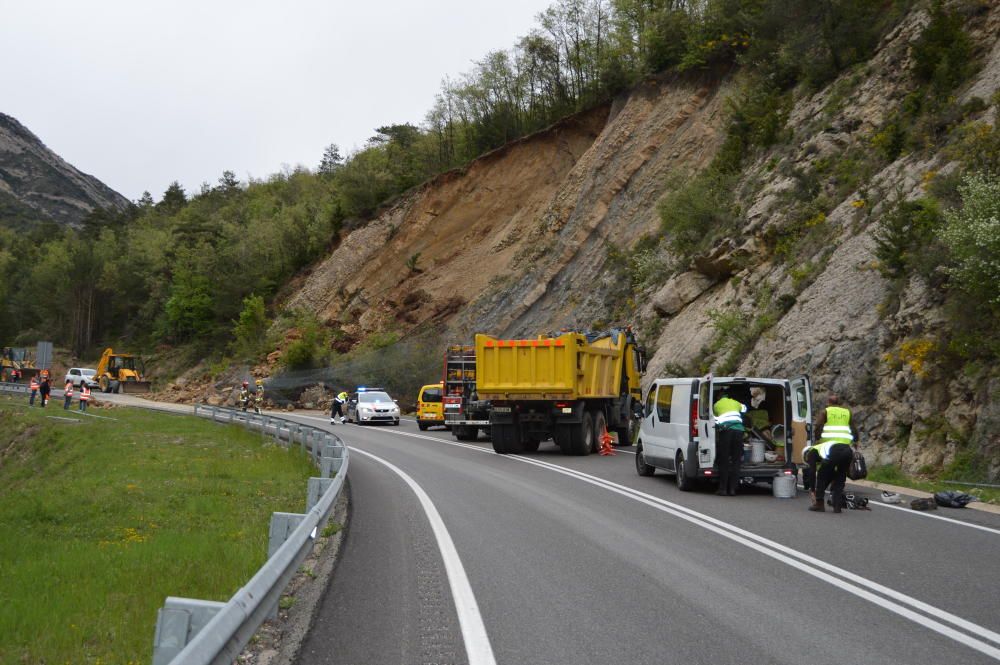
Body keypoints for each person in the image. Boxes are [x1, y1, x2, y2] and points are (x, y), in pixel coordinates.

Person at [806, 394, 859, 513]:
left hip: (832, 449)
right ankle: (837, 506)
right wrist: (855, 442)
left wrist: (817, 439)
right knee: (840, 477)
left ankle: (819, 503)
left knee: (822, 474)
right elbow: (854, 429)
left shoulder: (826, 411)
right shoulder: (847, 412)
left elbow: (818, 426)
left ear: (829, 402)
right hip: (846, 450)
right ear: (839, 403)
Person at [713, 389, 748, 496]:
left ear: (719, 397)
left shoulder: (716, 405)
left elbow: (714, 419)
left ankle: (723, 489)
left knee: (724, 460)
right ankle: (733, 489)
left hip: (726, 431)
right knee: (736, 461)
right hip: (739, 431)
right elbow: (745, 409)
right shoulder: (735, 402)